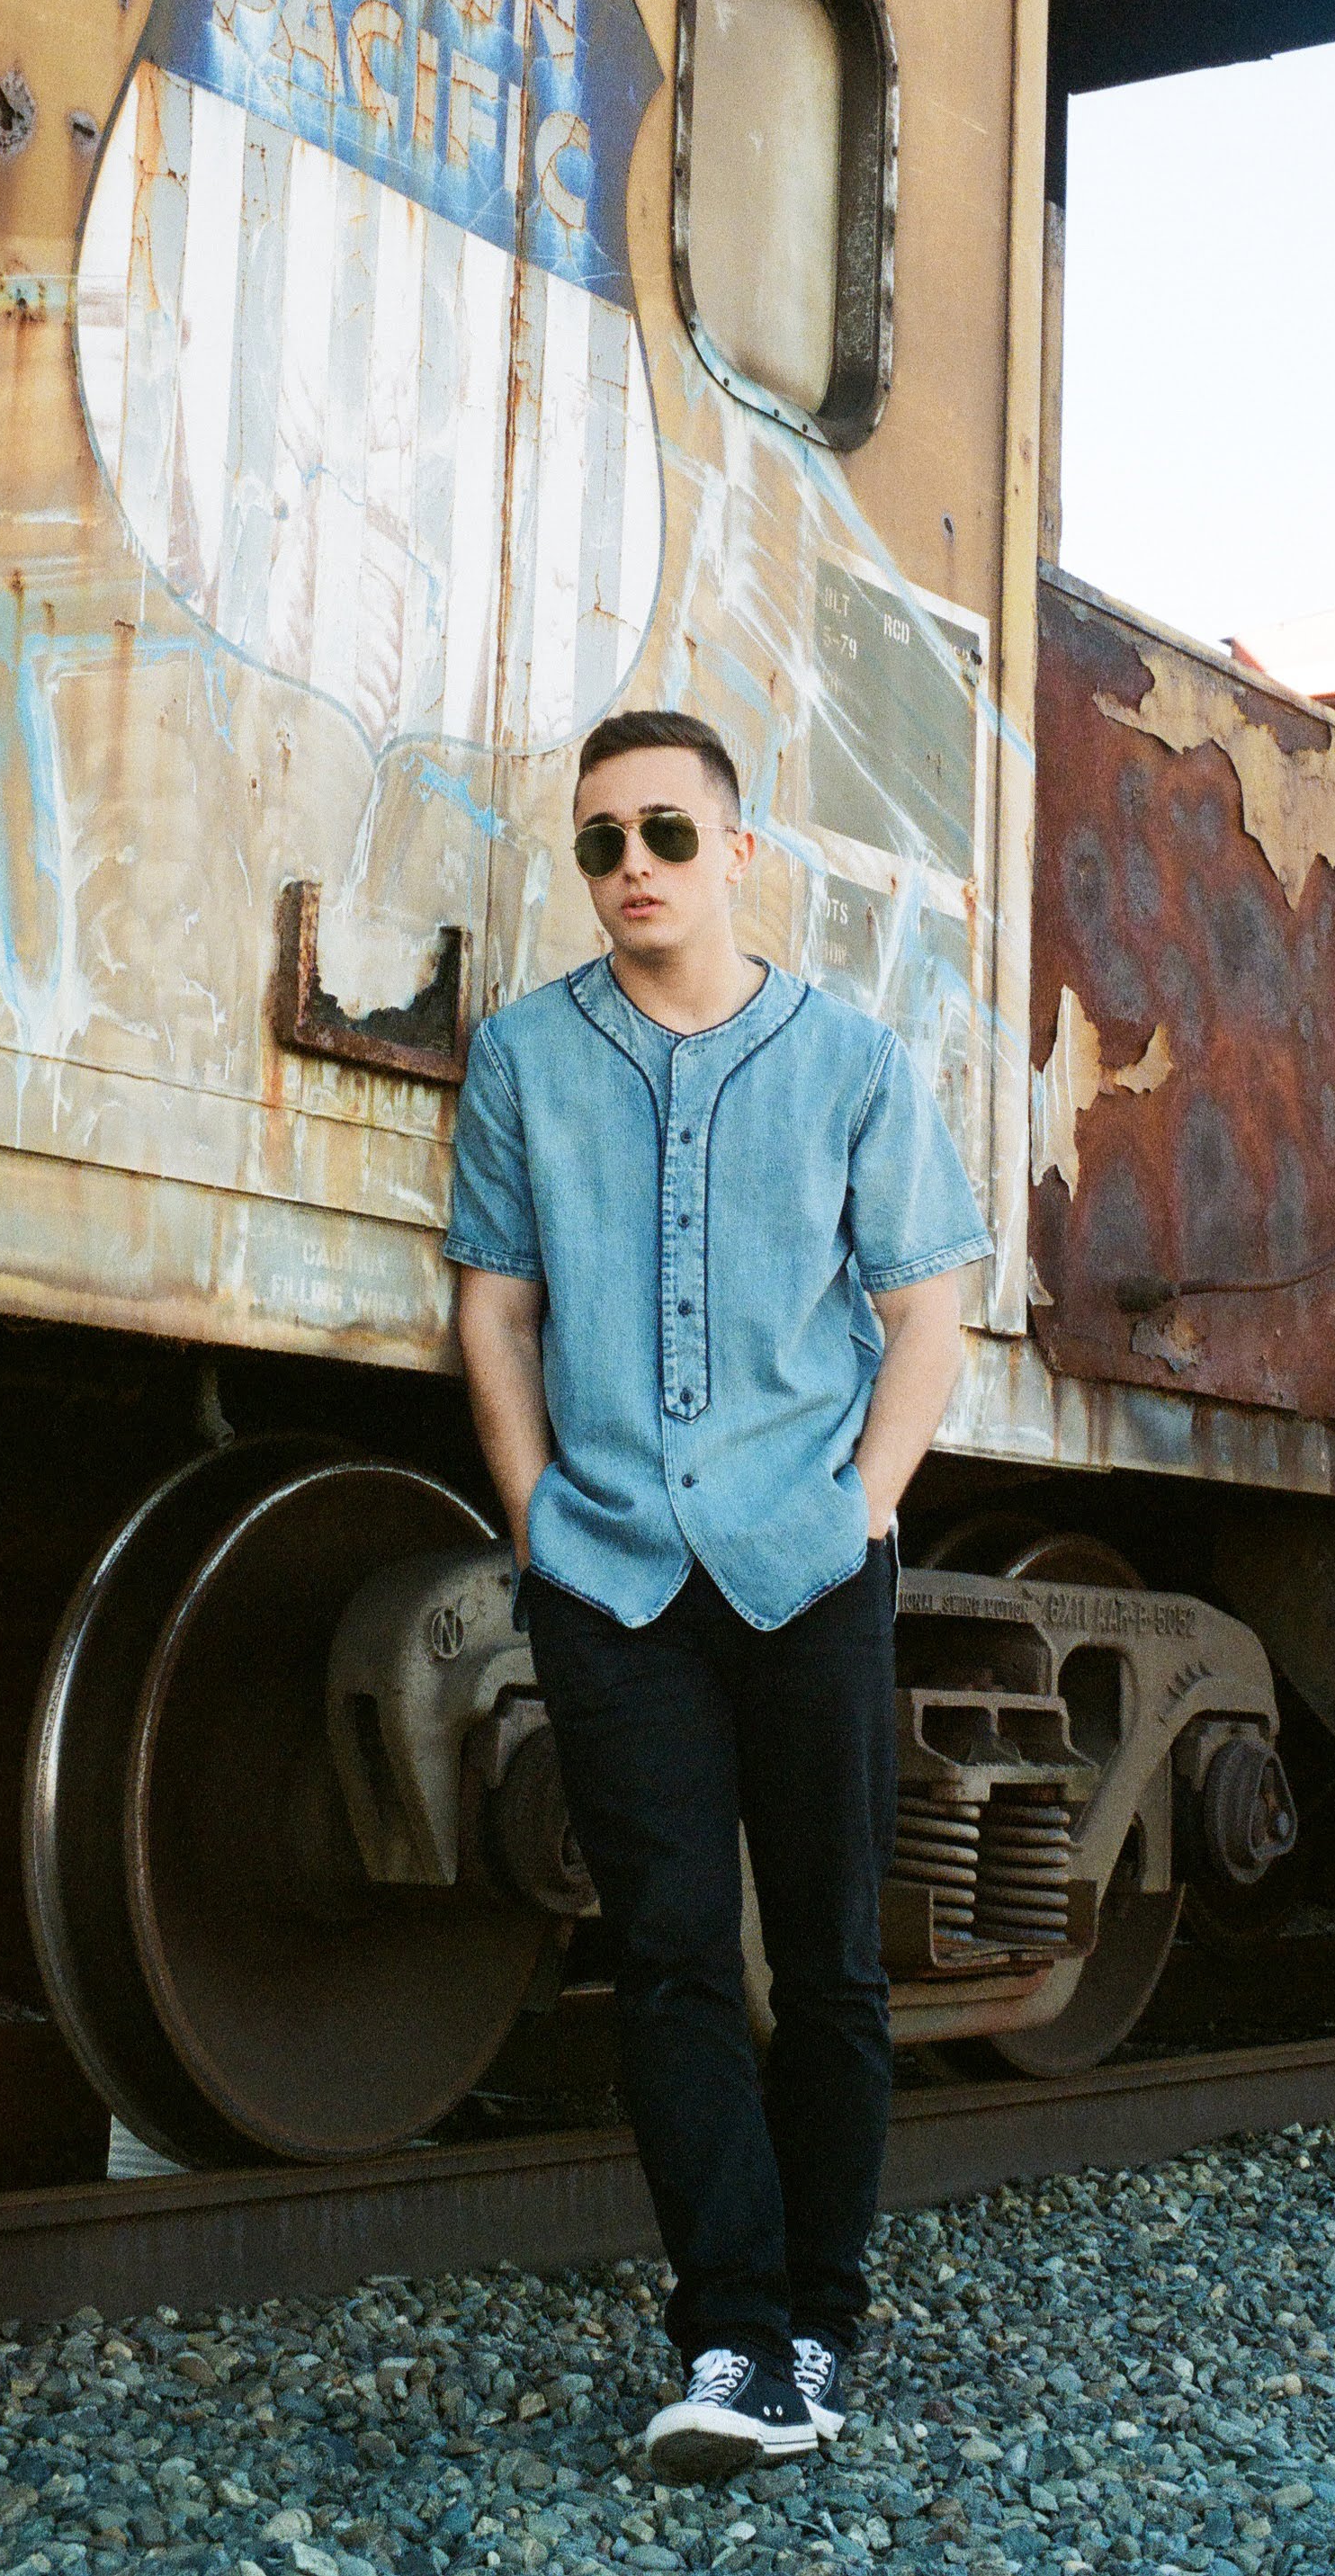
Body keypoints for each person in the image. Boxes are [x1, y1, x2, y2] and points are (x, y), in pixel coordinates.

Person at [447, 710, 993, 2482]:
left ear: (737, 852)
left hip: (805, 1566)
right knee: (671, 1957)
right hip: (610, 1576)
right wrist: (538, 1519)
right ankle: (731, 2342)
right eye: (601, 840)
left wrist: (861, 1512)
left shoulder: (848, 1060)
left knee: (826, 1961)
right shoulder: (527, 1056)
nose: (634, 868)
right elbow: (496, 1305)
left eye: (667, 833)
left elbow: (927, 1309)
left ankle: (819, 2324)